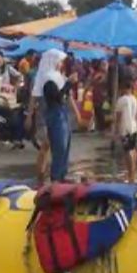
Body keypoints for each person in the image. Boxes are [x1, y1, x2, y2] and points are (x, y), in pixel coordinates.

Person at [32, 49, 79, 183]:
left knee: (65, 145)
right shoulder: (49, 79)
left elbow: (65, 96)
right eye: (60, 62)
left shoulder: (58, 77)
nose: (62, 64)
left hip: (62, 112)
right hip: (55, 113)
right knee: (59, 146)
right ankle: (56, 177)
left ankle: (62, 174)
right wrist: (69, 83)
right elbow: (56, 97)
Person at [113, 77, 137, 184]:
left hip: (125, 128)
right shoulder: (134, 99)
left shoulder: (121, 100)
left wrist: (115, 131)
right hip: (133, 127)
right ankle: (133, 174)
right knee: (132, 150)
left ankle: (131, 176)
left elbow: (118, 117)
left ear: (123, 88)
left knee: (127, 151)